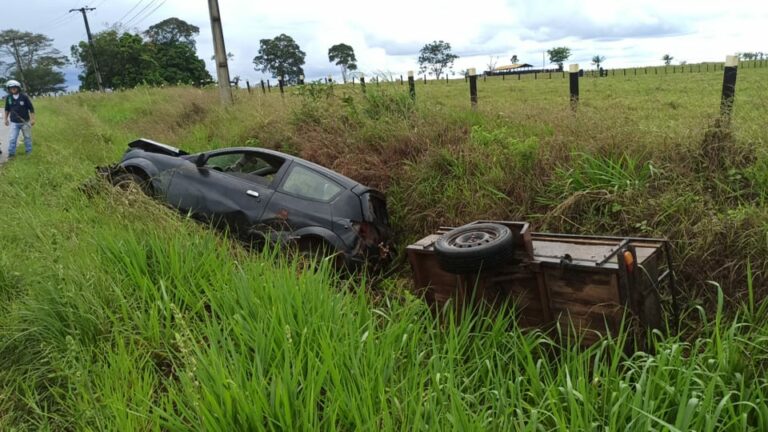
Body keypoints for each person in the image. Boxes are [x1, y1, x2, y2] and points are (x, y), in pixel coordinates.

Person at [4, 80, 35, 157]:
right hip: (14, 122)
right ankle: (11, 154)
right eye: (11, 88)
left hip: (25, 121)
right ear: (9, 89)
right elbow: (7, 109)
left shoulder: (24, 97)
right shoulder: (9, 98)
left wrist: (33, 119)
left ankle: (29, 153)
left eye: (14, 87)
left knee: (27, 138)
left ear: (18, 88)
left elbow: (31, 109)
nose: (13, 89)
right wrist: (5, 119)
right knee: (12, 139)